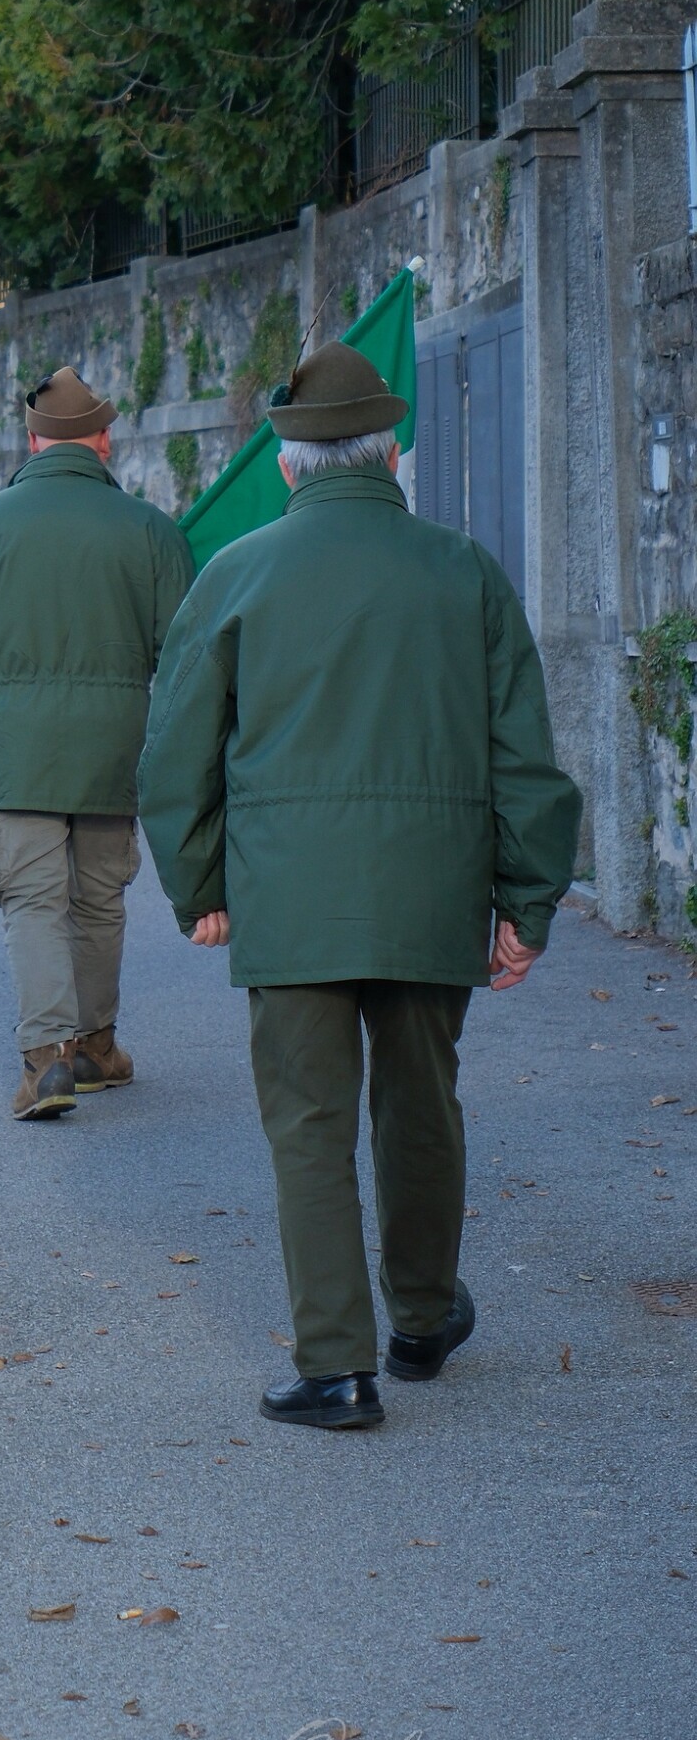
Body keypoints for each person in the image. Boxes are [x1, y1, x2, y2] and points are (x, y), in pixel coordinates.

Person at [136, 339, 580, 1431]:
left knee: (308, 1121)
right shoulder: (464, 572)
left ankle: (335, 1366)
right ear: (391, 454)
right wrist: (526, 903)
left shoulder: (236, 573)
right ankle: (422, 1319)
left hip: (288, 895)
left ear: (290, 464)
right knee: (421, 1106)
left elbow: (174, 755)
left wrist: (198, 885)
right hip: (432, 889)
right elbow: (523, 756)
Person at [0, 363, 193, 1120]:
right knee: (100, 898)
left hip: (21, 748)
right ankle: (97, 1047)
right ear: (103, 440)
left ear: (32, 439)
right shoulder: (150, 529)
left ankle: (47, 1062)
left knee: (33, 899)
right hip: (116, 745)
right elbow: (184, 655)